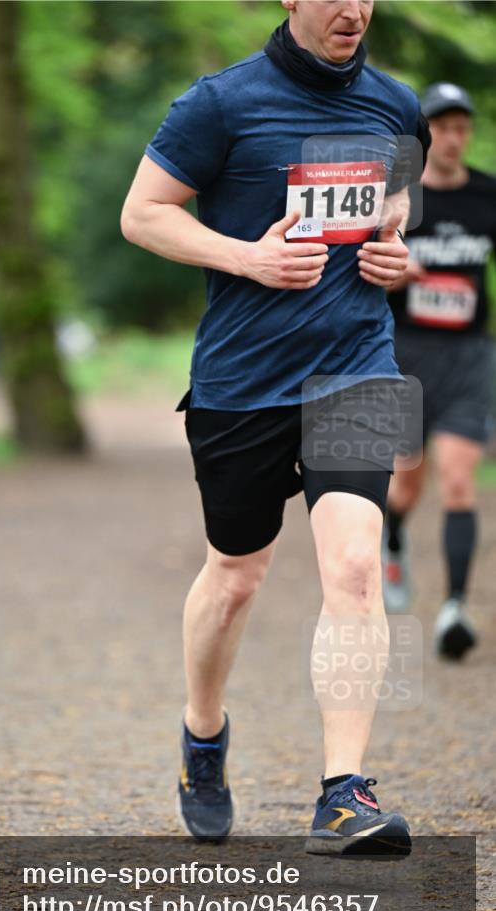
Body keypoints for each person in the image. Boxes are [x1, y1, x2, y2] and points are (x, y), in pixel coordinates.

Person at [121, 0, 429, 854]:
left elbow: (395, 214)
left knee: (357, 569)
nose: (353, 9)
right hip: (243, 382)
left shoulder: (396, 107)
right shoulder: (218, 104)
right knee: (236, 576)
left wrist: (396, 259)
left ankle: (343, 795)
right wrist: (245, 255)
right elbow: (142, 214)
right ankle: (203, 734)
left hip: (354, 369)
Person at [383, 83, 496, 660]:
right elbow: (365, 268)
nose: (452, 138)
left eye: (460, 126)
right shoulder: (399, 198)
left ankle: (454, 608)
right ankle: (392, 533)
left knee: (457, 482)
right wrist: (399, 269)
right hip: (407, 355)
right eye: (440, 127)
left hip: (470, 357)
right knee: (408, 482)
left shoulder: (487, 195)